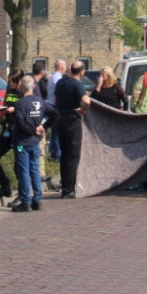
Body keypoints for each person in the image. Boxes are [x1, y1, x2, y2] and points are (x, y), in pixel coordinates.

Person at [11, 75, 59, 212]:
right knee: (35, 170)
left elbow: (20, 123)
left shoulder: (20, 104)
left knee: (24, 171)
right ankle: (37, 200)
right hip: (35, 142)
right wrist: (44, 127)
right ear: (33, 87)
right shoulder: (40, 101)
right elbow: (55, 115)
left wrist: (32, 130)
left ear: (20, 87)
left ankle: (26, 201)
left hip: (22, 142)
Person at [55, 61, 91, 198]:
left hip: (60, 120)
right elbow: (87, 101)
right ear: (82, 72)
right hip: (72, 121)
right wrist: (82, 110)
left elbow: (55, 99)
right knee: (73, 155)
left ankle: (64, 186)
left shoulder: (60, 83)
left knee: (64, 154)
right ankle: (69, 189)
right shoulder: (78, 85)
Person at [0, 68, 24, 198]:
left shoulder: (25, 93)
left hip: (19, 131)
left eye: (13, 82)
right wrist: (3, 109)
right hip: (7, 130)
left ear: (19, 81)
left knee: (19, 164)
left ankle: (22, 193)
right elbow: (6, 103)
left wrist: (14, 109)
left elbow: (28, 109)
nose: (11, 84)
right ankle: (5, 186)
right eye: (9, 81)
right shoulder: (10, 91)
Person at [46, 59, 67, 161]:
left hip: (51, 104)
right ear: (62, 67)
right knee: (56, 132)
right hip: (55, 106)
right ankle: (57, 155)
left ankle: (56, 153)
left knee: (55, 132)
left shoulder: (52, 77)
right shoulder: (58, 79)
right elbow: (59, 94)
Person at [32, 61, 48, 178]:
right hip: (37, 121)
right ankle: (40, 174)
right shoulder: (35, 85)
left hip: (31, 120)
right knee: (40, 147)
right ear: (42, 72)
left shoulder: (31, 83)